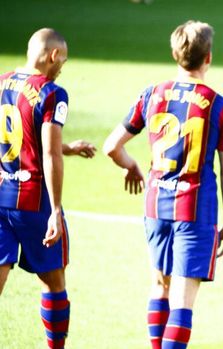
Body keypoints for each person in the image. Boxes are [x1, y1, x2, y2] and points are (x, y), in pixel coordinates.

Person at [103, 20, 223, 349]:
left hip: (155, 204)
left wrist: (132, 166)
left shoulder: (151, 94)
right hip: (195, 209)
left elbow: (111, 146)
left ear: (176, 54)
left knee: (159, 286)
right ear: (208, 57)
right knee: (182, 298)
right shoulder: (218, 104)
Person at [0, 28, 76, 349]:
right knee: (54, 282)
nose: (62, 68)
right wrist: (55, 211)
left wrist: (67, 147)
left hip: (2, 194)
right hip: (33, 201)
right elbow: (47, 152)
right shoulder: (51, 92)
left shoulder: (2, 81)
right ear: (53, 55)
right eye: (63, 61)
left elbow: (18, 135)